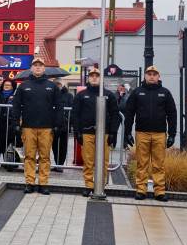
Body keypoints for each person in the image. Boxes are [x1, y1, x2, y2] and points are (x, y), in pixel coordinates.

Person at [10, 57, 64, 194]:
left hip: (47, 127)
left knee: (45, 157)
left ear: (44, 68)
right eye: (35, 65)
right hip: (28, 127)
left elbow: (59, 106)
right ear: (31, 69)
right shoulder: (23, 86)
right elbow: (16, 106)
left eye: (40, 65)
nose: (38, 67)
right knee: (29, 156)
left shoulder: (52, 86)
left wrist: (58, 124)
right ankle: (29, 183)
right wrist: (16, 123)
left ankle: (43, 184)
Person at [125, 65, 177, 201]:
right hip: (142, 133)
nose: (152, 76)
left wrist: (172, 134)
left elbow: (172, 114)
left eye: (154, 74)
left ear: (159, 76)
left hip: (160, 134)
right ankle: (141, 190)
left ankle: (159, 191)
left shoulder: (165, 93)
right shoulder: (137, 92)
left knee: (158, 164)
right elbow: (129, 113)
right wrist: (127, 132)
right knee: (142, 163)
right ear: (145, 76)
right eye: (149, 74)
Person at [70, 68, 121, 196]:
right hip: (87, 133)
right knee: (88, 161)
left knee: (103, 161)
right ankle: (88, 185)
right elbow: (75, 114)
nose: (94, 78)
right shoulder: (82, 95)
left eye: (97, 76)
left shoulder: (108, 95)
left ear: (100, 78)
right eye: (92, 76)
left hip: (104, 134)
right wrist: (78, 132)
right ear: (88, 78)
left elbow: (115, 115)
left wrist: (113, 132)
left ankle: (101, 185)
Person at [51, 79, 73, 172]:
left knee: (62, 146)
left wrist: (69, 120)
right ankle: (57, 163)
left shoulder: (68, 95)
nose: (57, 86)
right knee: (54, 146)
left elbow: (72, 109)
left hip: (64, 124)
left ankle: (60, 164)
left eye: (59, 84)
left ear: (62, 85)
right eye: (55, 84)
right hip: (53, 124)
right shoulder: (52, 95)